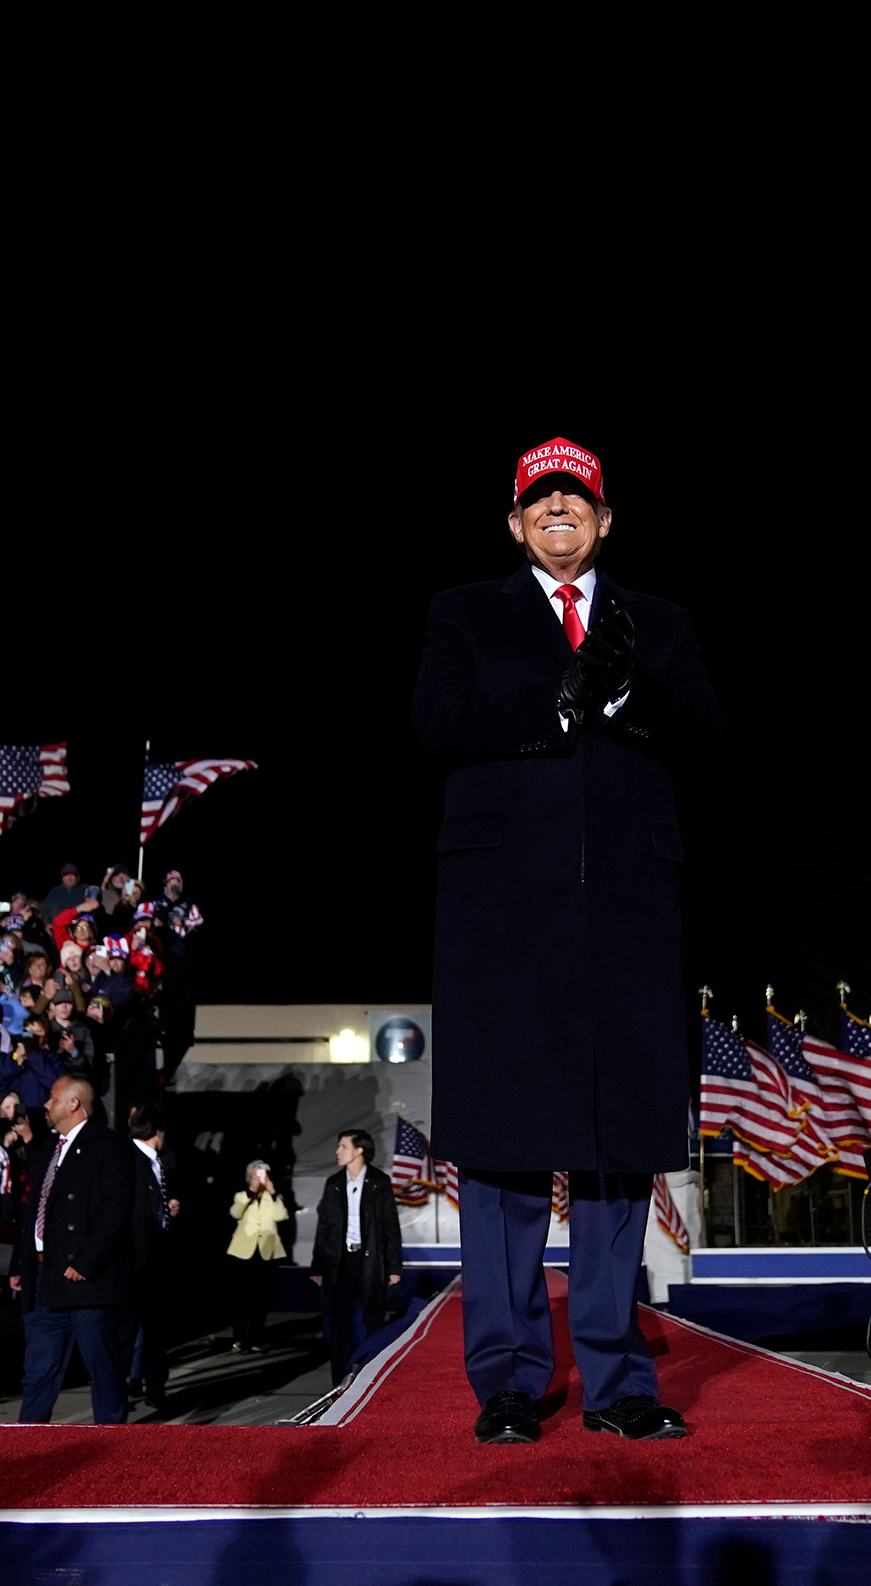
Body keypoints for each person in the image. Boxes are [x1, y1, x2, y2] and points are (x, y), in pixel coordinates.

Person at [411, 438, 723, 1446]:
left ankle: (620, 1379)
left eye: (575, 501)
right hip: (501, 927)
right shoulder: (463, 612)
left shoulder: (658, 623)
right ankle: (507, 1379)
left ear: (603, 519)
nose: (558, 513)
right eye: (540, 501)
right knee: (501, 1157)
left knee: (613, 1154)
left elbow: (707, 733)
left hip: (625, 923)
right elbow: (437, 723)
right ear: (514, 522)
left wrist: (625, 691)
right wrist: (560, 698)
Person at [9, 1074, 135, 1424]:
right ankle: (25, 1443)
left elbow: (116, 1209)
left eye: (52, 1098)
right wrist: (19, 1264)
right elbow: (32, 1209)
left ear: (73, 1103)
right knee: (38, 1371)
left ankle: (111, 1440)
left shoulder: (110, 1146)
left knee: (103, 1367)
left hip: (87, 1281)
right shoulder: (47, 1150)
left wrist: (86, 1261)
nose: (45, 1104)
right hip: (43, 1277)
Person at [309, 1128, 404, 1382]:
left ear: (359, 1150)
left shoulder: (379, 1183)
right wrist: (317, 1266)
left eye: (343, 1146)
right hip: (340, 1262)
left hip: (369, 1261)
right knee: (339, 1324)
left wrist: (394, 1267)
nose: (338, 1152)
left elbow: (389, 1227)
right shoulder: (334, 1184)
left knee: (374, 1319)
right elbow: (325, 1228)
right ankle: (338, 1380)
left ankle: (375, 1379)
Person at [127, 1107, 179, 1407]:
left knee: (153, 1324)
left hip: (156, 1250)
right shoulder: (130, 1160)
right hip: (137, 1257)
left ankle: (150, 1382)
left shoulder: (158, 1162)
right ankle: (145, 1381)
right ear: (157, 1131)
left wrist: (166, 1209)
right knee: (142, 1324)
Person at [225, 1159, 289, 1352]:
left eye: (262, 1175)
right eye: (255, 1175)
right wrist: (250, 1193)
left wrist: (272, 1190)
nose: (258, 1179)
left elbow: (281, 1216)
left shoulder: (274, 1197)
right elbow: (235, 1213)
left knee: (260, 1299)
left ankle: (255, 1339)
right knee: (241, 1297)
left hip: (266, 1252)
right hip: (243, 1253)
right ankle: (239, 1338)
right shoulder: (241, 1196)